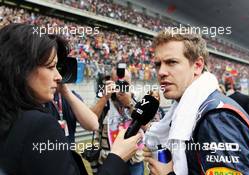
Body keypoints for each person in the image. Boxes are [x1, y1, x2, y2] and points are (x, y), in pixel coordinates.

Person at [0, 23, 142, 175]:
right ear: (21, 68)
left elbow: (93, 123)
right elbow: (94, 120)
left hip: (134, 160)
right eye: (50, 66)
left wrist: (129, 103)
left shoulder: (11, 117)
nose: (59, 76)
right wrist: (117, 157)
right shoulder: (39, 125)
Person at [143, 30, 249, 175]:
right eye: (158, 64)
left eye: (171, 62)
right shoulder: (187, 110)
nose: (161, 72)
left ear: (198, 65)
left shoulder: (217, 118)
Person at [91, 67, 145, 175]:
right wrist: (105, 98)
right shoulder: (103, 97)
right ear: (110, 82)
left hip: (134, 158)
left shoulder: (137, 98)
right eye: (118, 83)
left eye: (125, 83)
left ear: (130, 84)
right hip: (110, 158)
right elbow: (90, 120)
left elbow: (146, 125)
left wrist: (130, 104)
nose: (121, 87)